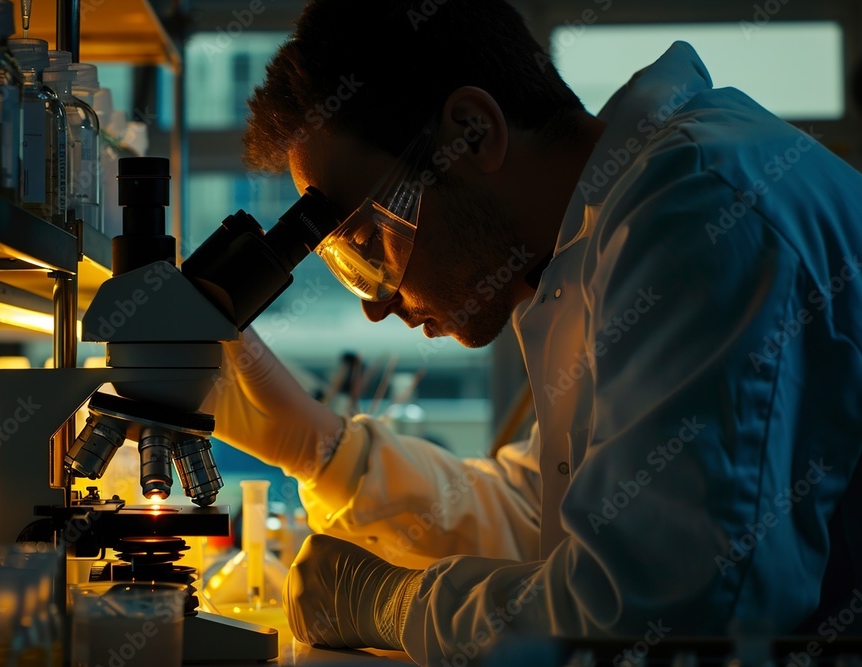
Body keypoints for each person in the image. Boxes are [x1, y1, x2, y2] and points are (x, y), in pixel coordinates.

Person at [202, 0, 862, 664]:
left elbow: (666, 613)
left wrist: (393, 606)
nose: (377, 307)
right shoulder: (594, 242)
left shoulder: (699, 212)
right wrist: (321, 447)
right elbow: (543, 517)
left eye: (370, 244)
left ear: (473, 132)